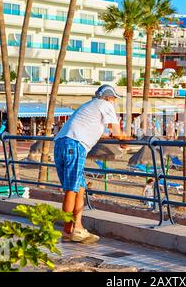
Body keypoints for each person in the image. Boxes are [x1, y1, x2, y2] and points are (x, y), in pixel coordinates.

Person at [54, 84, 129, 244]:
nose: (114, 102)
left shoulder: (89, 106)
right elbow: (116, 132)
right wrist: (123, 138)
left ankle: (78, 227)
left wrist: (117, 138)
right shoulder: (105, 104)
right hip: (75, 146)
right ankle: (67, 231)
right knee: (71, 190)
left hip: (61, 144)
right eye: (114, 99)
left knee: (79, 188)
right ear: (109, 97)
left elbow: (98, 133)